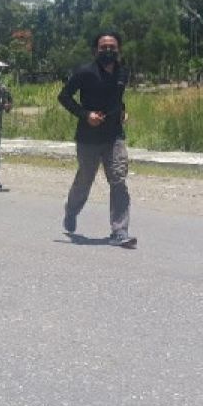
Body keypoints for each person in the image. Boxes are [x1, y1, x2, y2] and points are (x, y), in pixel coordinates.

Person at [57, 31, 136, 248]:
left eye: (112, 47)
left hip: (114, 135)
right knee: (85, 180)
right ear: (96, 50)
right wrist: (86, 115)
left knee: (118, 180)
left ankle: (120, 231)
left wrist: (122, 111)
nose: (108, 51)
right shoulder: (85, 72)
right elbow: (64, 97)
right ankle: (71, 210)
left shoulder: (123, 72)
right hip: (88, 137)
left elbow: (117, 98)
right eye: (104, 47)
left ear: (118, 49)